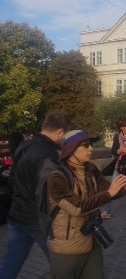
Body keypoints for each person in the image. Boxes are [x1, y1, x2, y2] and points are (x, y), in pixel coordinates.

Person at [47, 130, 126, 278]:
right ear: (70, 150)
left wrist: (123, 187)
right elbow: (77, 207)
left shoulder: (91, 169)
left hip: (92, 244)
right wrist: (110, 193)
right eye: (85, 145)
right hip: (66, 250)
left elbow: (108, 191)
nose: (91, 148)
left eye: (91, 145)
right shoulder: (57, 178)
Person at [0, 112, 72, 279]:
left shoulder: (23, 146)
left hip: (17, 214)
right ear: (60, 132)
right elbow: (48, 190)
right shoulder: (48, 153)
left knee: (11, 265)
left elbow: (12, 179)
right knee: (62, 265)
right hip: (37, 220)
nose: (65, 141)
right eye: (65, 136)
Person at [101, 119, 126, 218]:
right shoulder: (117, 137)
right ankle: (107, 211)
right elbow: (114, 150)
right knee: (112, 187)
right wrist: (120, 150)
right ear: (121, 127)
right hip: (119, 166)